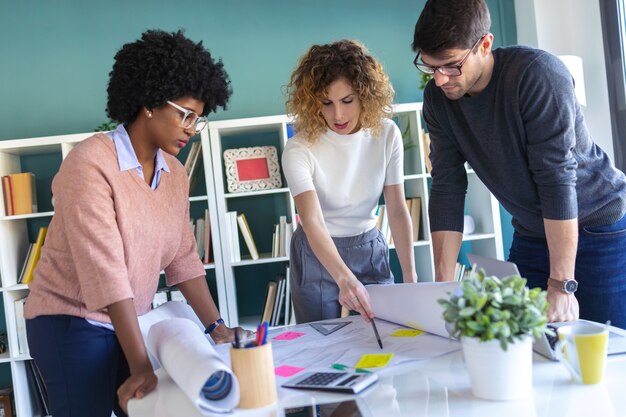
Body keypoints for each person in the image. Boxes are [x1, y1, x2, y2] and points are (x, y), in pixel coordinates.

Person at [24, 29, 241, 416]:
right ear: (150, 103)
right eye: (185, 114)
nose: (192, 127)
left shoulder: (173, 174)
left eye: (199, 118)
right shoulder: (89, 164)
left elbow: (184, 261)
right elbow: (105, 270)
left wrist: (216, 327)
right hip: (69, 319)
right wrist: (140, 364)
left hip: (129, 319)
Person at [412, 0, 626, 328]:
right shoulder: (438, 102)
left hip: (599, 228)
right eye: (430, 67)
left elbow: (555, 180)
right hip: (531, 232)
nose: (440, 80)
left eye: (451, 65)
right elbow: (447, 185)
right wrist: (444, 287)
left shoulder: (537, 75)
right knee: (525, 341)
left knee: (605, 349)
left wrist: (561, 285)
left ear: (484, 44)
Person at [282, 39, 418, 324]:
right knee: (321, 343)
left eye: (347, 101)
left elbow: (395, 208)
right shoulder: (299, 148)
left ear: (365, 95)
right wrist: (343, 278)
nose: (338, 115)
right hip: (317, 252)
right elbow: (312, 221)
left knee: (386, 334)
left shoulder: (387, 134)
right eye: (326, 103)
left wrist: (411, 276)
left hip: (370, 248)